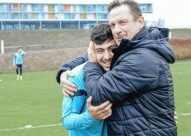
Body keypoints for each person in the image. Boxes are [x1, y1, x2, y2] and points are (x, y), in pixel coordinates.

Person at [57, 0, 177, 135]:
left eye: (122, 22)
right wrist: (65, 69)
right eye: (112, 25)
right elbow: (67, 119)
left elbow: (97, 93)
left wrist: (92, 62)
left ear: (140, 21)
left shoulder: (141, 58)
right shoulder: (132, 50)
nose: (117, 30)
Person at [62, 24, 115, 136]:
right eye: (100, 50)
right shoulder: (77, 75)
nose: (107, 56)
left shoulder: (122, 71)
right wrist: (90, 116)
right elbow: (67, 120)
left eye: (111, 49)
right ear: (92, 51)